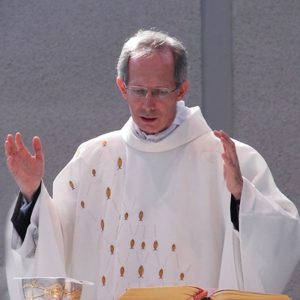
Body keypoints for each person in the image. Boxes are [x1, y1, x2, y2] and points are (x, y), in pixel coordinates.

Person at [5, 29, 300, 299]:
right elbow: (52, 248)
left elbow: (279, 235)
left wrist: (240, 197)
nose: (148, 104)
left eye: (159, 92)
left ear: (181, 90)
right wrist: (32, 194)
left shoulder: (227, 159)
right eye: (138, 90)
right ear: (122, 88)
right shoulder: (92, 158)